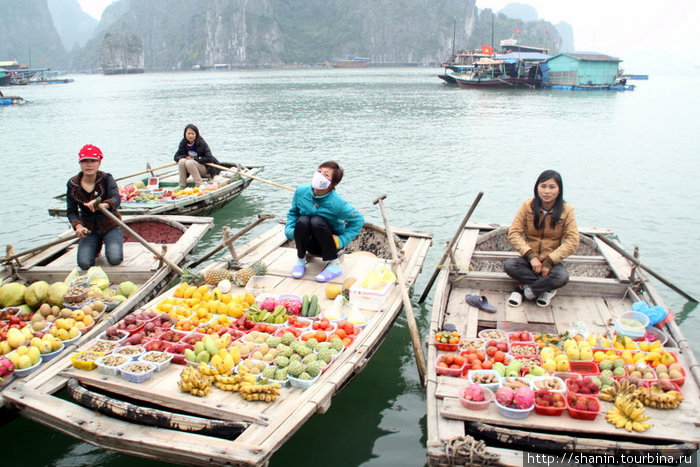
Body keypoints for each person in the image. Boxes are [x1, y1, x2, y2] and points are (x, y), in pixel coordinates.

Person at [504, 169, 579, 307]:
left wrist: (549, 262)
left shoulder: (567, 210)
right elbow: (514, 233)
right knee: (509, 265)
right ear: (537, 187)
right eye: (543, 186)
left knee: (562, 277)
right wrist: (531, 257)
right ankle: (546, 287)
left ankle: (523, 288)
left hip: (552, 262)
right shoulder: (527, 205)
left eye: (552, 187)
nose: (547, 191)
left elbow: (572, 241)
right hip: (528, 260)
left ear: (559, 189)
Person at [285, 161, 364, 282]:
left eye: (326, 175)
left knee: (317, 221)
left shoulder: (337, 202)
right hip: (309, 244)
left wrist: (341, 240)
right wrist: (290, 231)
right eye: (319, 171)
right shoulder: (301, 191)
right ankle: (301, 260)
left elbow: (357, 220)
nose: (320, 175)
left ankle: (334, 265)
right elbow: (293, 213)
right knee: (303, 220)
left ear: (333, 183)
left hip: (330, 244)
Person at [66, 144, 123, 271]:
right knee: (84, 264)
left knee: (115, 259)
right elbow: (71, 211)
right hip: (89, 228)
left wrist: (102, 205)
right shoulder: (72, 184)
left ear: (99, 162)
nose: (89, 165)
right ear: (80, 163)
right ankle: (95, 245)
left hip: (110, 225)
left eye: (93, 161)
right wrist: (78, 226)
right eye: (85, 161)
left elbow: (116, 199)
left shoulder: (107, 178)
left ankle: (110, 241)